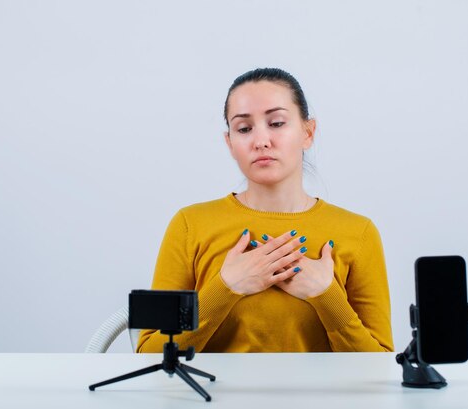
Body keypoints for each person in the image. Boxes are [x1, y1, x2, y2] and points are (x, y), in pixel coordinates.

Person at [137, 68, 393, 353]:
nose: (261, 141)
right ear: (230, 143)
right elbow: (149, 356)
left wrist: (326, 295)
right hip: (211, 398)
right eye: (244, 129)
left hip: (322, 399)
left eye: (277, 123)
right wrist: (224, 287)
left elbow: (380, 366)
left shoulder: (358, 233)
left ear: (308, 133)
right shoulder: (190, 225)